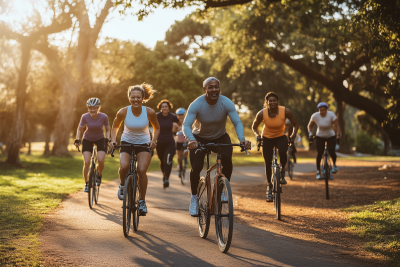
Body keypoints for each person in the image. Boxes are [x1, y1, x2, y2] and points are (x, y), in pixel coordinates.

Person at [183, 77, 251, 216]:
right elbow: (186, 125)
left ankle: (223, 189)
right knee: (196, 167)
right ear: (204, 89)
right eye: (210, 87)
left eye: (216, 87)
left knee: (227, 159)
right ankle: (194, 198)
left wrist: (242, 139)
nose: (214, 90)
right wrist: (191, 139)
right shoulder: (197, 104)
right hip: (199, 138)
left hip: (220, 136)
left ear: (219, 88)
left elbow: (237, 122)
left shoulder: (226, 103)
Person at [109, 83, 160, 215]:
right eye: (133, 97)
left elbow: (157, 128)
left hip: (144, 143)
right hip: (126, 141)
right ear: (129, 97)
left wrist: (154, 141)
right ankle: (122, 185)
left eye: (138, 97)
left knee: (141, 170)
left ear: (143, 98)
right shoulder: (123, 112)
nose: (135, 99)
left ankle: (142, 201)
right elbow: (114, 127)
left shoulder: (149, 112)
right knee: (124, 165)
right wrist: (113, 141)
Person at [252, 92, 299, 202]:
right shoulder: (262, 113)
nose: (272, 102)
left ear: (277, 101)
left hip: (280, 137)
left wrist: (292, 136)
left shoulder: (285, 111)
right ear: (267, 102)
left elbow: (295, 124)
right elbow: (254, 127)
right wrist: (258, 136)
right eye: (270, 101)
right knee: (267, 161)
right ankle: (269, 186)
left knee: (283, 152)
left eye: (274, 100)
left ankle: (282, 171)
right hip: (267, 138)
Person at [74, 98, 110, 193]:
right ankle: (86, 183)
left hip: (100, 139)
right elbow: (79, 129)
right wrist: (77, 139)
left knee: (101, 160)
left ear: (98, 108)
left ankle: (99, 175)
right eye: (90, 108)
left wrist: (107, 139)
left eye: (95, 108)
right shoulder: (85, 116)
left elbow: (108, 129)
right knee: (86, 162)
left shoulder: (104, 117)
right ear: (88, 108)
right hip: (87, 139)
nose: (92, 110)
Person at [307, 102, 341, 180]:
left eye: (324, 110)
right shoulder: (315, 116)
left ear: (327, 110)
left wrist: (338, 134)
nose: (322, 112)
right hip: (320, 136)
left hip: (330, 135)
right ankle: (318, 171)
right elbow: (310, 125)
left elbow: (337, 125)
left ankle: (334, 165)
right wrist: (310, 133)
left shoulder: (331, 115)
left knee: (332, 150)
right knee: (319, 153)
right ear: (318, 110)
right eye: (320, 110)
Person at [156, 99, 181, 188]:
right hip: (159, 142)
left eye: (166, 106)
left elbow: (180, 124)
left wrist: (178, 130)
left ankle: (167, 178)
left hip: (170, 142)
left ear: (169, 108)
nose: (164, 108)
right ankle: (164, 174)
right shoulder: (157, 116)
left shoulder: (172, 116)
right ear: (160, 108)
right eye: (162, 107)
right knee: (162, 160)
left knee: (168, 158)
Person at [174, 108, 188, 178]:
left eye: (182, 115)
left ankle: (185, 159)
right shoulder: (175, 123)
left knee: (186, 151)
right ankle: (179, 165)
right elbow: (173, 130)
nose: (180, 116)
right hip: (178, 141)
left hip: (186, 140)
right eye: (179, 115)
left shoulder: (187, 121)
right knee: (178, 156)